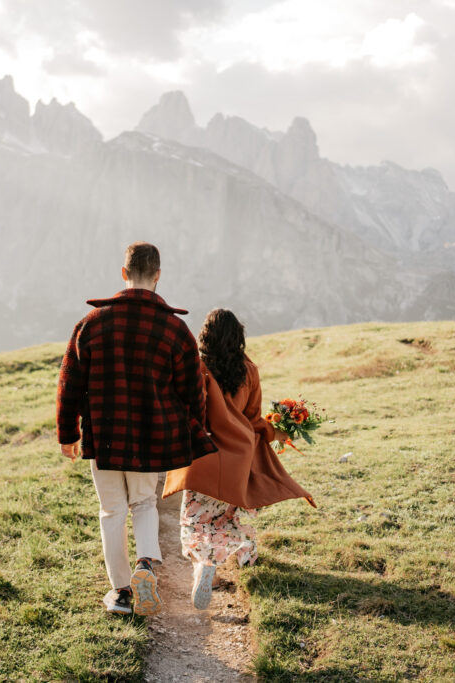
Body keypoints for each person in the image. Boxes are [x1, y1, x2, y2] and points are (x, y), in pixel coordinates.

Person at [56, 242, 216, 616]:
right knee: (144, 504)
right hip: (152, 438)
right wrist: (196, 434)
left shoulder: (91, 325)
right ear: (158, 276)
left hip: (105, 436)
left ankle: (122, 593)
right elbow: (194, 393)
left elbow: (69, 384)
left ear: (123, 274)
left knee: (112, 511)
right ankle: (146, 564)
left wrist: (68, 434)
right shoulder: (176, 329)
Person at [163, 308, 315, 610]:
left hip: (202, 456)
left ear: (205, 335)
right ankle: (215, 568)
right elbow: (253, 419)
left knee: (195, 522)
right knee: (225, 518)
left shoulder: (197, 367)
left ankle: (203, 568)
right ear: (238, 337)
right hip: (237, 459)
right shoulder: (249, 370)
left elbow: (186, 409)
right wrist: (279, 431)